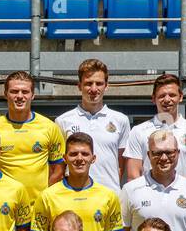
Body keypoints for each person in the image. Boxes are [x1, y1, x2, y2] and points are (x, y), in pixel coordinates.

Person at [29, 132, 124, 231]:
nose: (79, 159)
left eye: (85, 154)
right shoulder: (48, 196)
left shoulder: (108, 196)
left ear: (93, 158)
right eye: (73, 154)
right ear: (65, 158)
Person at [55, 59, 130, 197]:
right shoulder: (63, 121)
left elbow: (120, 165)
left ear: (106, 86)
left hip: (109, 195)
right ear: (79, 86)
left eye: (99, 83)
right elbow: (60, 164)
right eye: (88, 83)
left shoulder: (121, 120)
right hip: (73, 196)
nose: (94, 89)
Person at [0, 70, 66, 194]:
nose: (19, 96)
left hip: (39, 205)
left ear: (33, 95)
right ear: (5, 94)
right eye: (14, 91)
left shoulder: (50, 127)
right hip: (6, 203)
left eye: (25, 92)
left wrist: (46, 196)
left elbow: (58, 169)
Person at [124, 73, 186, 183]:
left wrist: (181, 197)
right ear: (153, 99)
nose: (167, 99)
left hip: (183, 198)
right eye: (162, 96)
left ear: (181, 97)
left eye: (172, 95)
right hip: (149, 198)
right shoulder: (138, 131)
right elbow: (133, 175)